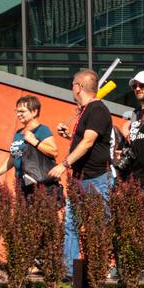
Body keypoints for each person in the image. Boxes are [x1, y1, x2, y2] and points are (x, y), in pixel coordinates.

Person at [49, 69, 115, 275]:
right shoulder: (86, 111)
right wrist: (70, 135)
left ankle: (96, 271)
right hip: (79, 179)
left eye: (72, 85)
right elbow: (84, 141)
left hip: (95, 180)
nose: (71, 89)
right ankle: (70, 273)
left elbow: (88, 142)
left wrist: (64, 164)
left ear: (78, 87)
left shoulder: (98, 110)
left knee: (96, 226)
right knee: (71, 225)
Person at [0, 95, 59, 199]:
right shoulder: (18, 133)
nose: (18, 114)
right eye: (17, 111)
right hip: (22, 185)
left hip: (40, 186)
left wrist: (34, 142)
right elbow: (13, 158)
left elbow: (54, 152)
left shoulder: (42, 130)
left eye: (22, 111)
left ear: (34, 112)